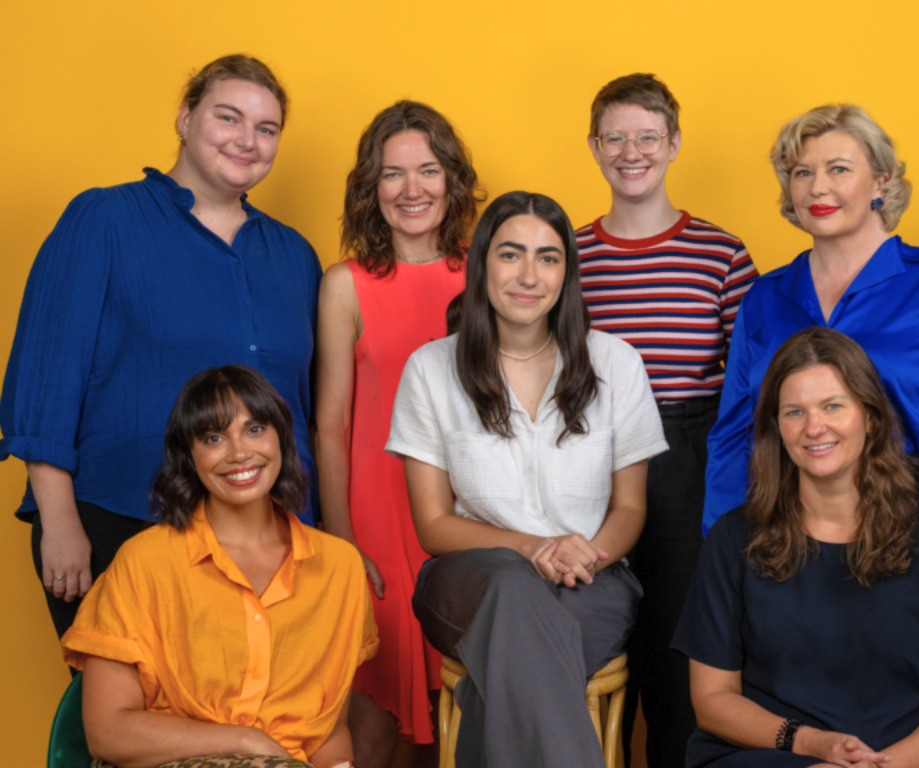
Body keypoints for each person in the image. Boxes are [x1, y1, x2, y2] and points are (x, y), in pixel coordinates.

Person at [702, 103, 919, 765]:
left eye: (838, 169)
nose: (817, 187)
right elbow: (735, 435)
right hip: (794, 521)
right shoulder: (766, 298)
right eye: (801, 172)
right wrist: (726, 553)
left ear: (881, 181)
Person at [0, 54, 322, 643]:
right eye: (229, 118)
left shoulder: (294, 256)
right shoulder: (104, 219)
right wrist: (59, 520)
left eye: (267, 129)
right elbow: (47, 379)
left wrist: (314, 531)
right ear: (185, 118)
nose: (247, 141)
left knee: (256, 723)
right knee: (133, 722)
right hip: (122, 518)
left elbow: (303, 410)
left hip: (264, 538)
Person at [385, 191, 669, 768]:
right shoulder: (431, 369)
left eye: (548, 257)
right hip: (470, 579)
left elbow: (630, 510)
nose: (529, 275)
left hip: (592, 580)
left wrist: (582, 556)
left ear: (567, 272)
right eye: (511, 255)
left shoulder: (616, 363)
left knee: (515, 660)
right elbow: (434, 526)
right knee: (512, 590)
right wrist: (533, 548)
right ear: (483, 263)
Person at [675, 327, 919, 768]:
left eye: (833, 406)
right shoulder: (731, 539)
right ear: (776, 427)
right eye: (794, 412)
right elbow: (713, 700)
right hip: (770, 753)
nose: (814, 427)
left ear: (871, 416)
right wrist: (810, 743)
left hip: (903, 760)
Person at [62, 365, 378, 768]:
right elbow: (108, 732)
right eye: (213, 437)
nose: (239, 452)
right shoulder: (144, 563)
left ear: (282, 437)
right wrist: (247, 742)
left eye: (255, 429)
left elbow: (328, 728)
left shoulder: (339, 568)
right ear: (189, 456)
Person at [576, 72, 759, 767]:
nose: (632, 151)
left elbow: (746, 387)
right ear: (594, 146)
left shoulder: (722, 254)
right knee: (592, 627)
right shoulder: (568, 254)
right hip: (591, 452)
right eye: (615, 137)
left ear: (674, 144)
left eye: (647, 136)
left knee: (681, 631)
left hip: (692, 452)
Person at [316, 100, 484, 766]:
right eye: (393, 174)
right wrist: (341, 542)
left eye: (429, 170)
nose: (412, 189)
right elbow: (331, 421)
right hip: (378, 518)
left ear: (453, 180)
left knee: (464, 701)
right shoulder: (344, 286)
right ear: (370, 187)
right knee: (377, 717)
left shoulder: (487, 272)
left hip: (469, 509)